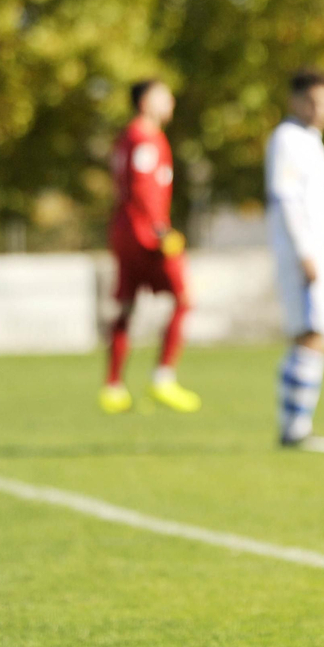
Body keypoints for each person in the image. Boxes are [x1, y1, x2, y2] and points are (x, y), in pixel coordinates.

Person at [100, 78, 201, 414]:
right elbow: (142, 185)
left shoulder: (128, 136)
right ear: (145, 102)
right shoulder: (144, 137)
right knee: (184, 299)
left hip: (125, 230)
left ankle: (113, 386)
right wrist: (160, 230)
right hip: (146, 234)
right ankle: (163, 378)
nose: (171, 101)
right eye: (164, 96)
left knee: (126, 307)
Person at [265, 68, 324, 453]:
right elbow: (287, 200)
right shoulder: (288, 139)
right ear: (294, 101)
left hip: (318, 257)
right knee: (311, 335)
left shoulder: (311, 141)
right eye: (312, 101)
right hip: (305, 259)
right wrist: (305, 253)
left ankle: (295, 424)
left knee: (313, 335)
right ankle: (294, 427)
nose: (320, 109)